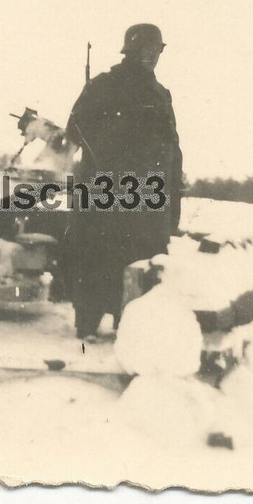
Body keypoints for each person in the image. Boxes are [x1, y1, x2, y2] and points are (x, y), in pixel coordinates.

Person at [64, 23, 183, 339]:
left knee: (143, 263)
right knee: (98, 257)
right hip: (106, 193)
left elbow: (172, 149)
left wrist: (173, 200)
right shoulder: (104, 86)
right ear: (130, 51)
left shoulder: (161, 95)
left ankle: (131, 330)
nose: (151, 56)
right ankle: (87, 325)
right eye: (145, 50)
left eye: (156, 50)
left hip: (149, 198)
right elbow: (76, 131)